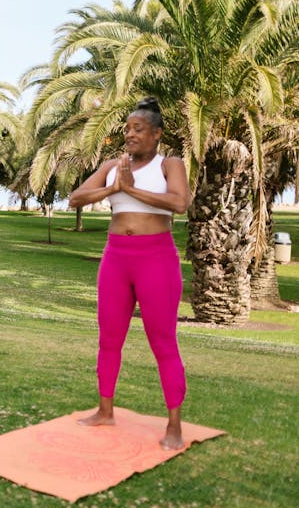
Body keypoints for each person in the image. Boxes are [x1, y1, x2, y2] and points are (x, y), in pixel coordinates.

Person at [67, 96, 191, 450]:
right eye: (127, 129)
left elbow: (180, 203)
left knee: (163, 342)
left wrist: (132, 189)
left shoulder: (169, 164)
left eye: (138, 129)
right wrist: (113, 187)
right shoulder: (113, 165)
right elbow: (76, 198)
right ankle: (105, 410)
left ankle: (174, 425)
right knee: (109, 337)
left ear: (156, 134)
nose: (130, 135)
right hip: (116, 259)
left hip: (156, 258)